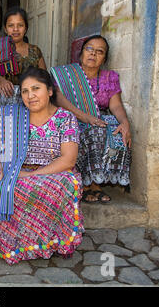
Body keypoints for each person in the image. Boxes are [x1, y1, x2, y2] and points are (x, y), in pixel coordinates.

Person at [0, 67, 84, 264]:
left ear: (50, 91)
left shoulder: (65, 118)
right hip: (16, 169)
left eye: (36, 89)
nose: (30, 95)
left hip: (56, 173)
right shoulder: (11, 116)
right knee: (0, 185)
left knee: (58, 183)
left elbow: (68, 160)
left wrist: (30, 175)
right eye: (25, 91)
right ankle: (12, 244)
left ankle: (50, 241)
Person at [51, 35, 131, 203]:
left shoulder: (109, 78)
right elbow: (58, 99)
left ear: (104, 58)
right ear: (81, 53)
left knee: (116, 131)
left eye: (99, 51)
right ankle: (85, 185)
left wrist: (124, 122)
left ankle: (96, 182)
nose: (93, 54)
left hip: (97, 119)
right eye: (89, 49)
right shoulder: (65, 74)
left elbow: (115, 105)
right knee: (95, 131)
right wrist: (85, 117)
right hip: (71, 118)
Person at [0, 7, 47, 108]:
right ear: (5, 28)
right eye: (11, 26)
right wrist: (0, 80)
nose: (15, 29)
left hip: (30, 98)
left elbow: (43, 76)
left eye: (20, 25)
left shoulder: (35, 51)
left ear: (26, 28)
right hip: (3, 98)